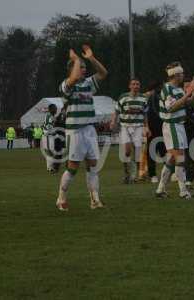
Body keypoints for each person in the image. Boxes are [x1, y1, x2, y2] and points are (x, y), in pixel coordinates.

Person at [56, 45, 108, 211]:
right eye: (80, 67)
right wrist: (77, 59)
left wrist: (91, 58)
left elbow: (103, 73)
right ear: (72, 69)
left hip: (89, 129)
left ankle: (95, 200)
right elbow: (72, 79)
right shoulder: (66, 85)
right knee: (73, 167)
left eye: (85, 68)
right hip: (75, 130)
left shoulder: (88, 84)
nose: (84, 70)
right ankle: (61, 198)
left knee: (93, 165)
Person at [155, 62, 194, 199]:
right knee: (180, 158)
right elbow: (171, 108)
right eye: (181, 73)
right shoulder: (167, 88)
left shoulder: (179, 89)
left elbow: (189, 103)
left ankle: (160, 190)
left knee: (173, 159)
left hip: (179, 125)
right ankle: (183, 191)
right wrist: (188, 94)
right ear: (175, 75)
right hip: (171, 125)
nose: (183, 75)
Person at [110, 78, 150, 184]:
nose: (136, 86)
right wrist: (113, 121)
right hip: (125, 126)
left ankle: (137, 174)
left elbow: (145, 114)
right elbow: (116, 110)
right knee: (127, 151)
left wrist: (147, 127)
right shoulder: (123, 97)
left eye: (137, 84)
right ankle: (127, 173)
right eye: (134, 84)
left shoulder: (143, 98)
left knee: (137, 152)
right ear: (130, 86)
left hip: (138, 126)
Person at [145, 81, 166, 184]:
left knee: (164, 150)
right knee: (152, 151)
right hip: (153, 128)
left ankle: (169, 172)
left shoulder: (164, 97)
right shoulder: (152, 98)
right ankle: (152, 174)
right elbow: (148, 114)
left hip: (163, 128)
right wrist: (147, 127)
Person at [43, 104, 58, 172]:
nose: (56, 110)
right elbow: (49, 126)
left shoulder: (48, 115)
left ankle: (50, 167)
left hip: (47, 135)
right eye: (55, 109)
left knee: (50, 151)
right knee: (51, 151)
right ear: (52, 109)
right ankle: (50, 168)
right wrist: (54, 133)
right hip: (48, 135)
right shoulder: (50, 116)